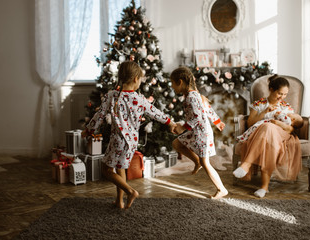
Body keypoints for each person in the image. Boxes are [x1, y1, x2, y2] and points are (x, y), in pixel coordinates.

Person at [82, 61, 176, 209]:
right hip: (131, 142)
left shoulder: (112, 96)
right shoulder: (139, 99)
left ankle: (130, 191)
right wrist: (170, 122)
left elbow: (99, 115)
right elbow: (155, 112)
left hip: (118, 140)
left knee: (106, 169)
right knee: (120, 169)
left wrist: (89, 130)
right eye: (140, 79)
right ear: (135, 79)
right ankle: (119, 201)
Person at [233, 74, 302, 198]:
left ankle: (246, 164)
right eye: (280, 93)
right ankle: (264, 187)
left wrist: (277, 123)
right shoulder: (259, 104)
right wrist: (265, 112)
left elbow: (291, 128)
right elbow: (250, 123)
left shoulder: (286, 107)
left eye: (285, 94)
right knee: (268, 139)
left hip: (282, 135)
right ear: (271, 90)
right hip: (263, 135)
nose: (282, 97)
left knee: (268, 127)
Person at [170, 66, 228, 199]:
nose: (173, 87)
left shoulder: (191, 97)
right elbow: (206, 109)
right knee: (177, 143)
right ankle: (196, 162)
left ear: (180, 82)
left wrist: (183, 127)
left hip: (201, 132)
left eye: (173, 84)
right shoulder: (194, 95)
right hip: (196, 130)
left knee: (206, 163)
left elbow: (198, 117)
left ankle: (221, 189)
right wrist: (217, 121)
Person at [237, 111, 304, 142]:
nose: (290, 113)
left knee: (254, 129)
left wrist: (278, 114)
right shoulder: (288, 121)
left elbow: (281, 117)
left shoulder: (288, 120)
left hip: (268, 125)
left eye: (292, 114)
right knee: (254, 128)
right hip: (268, 124)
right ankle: (244, 137)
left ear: (293, 119)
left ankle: (244, 138)